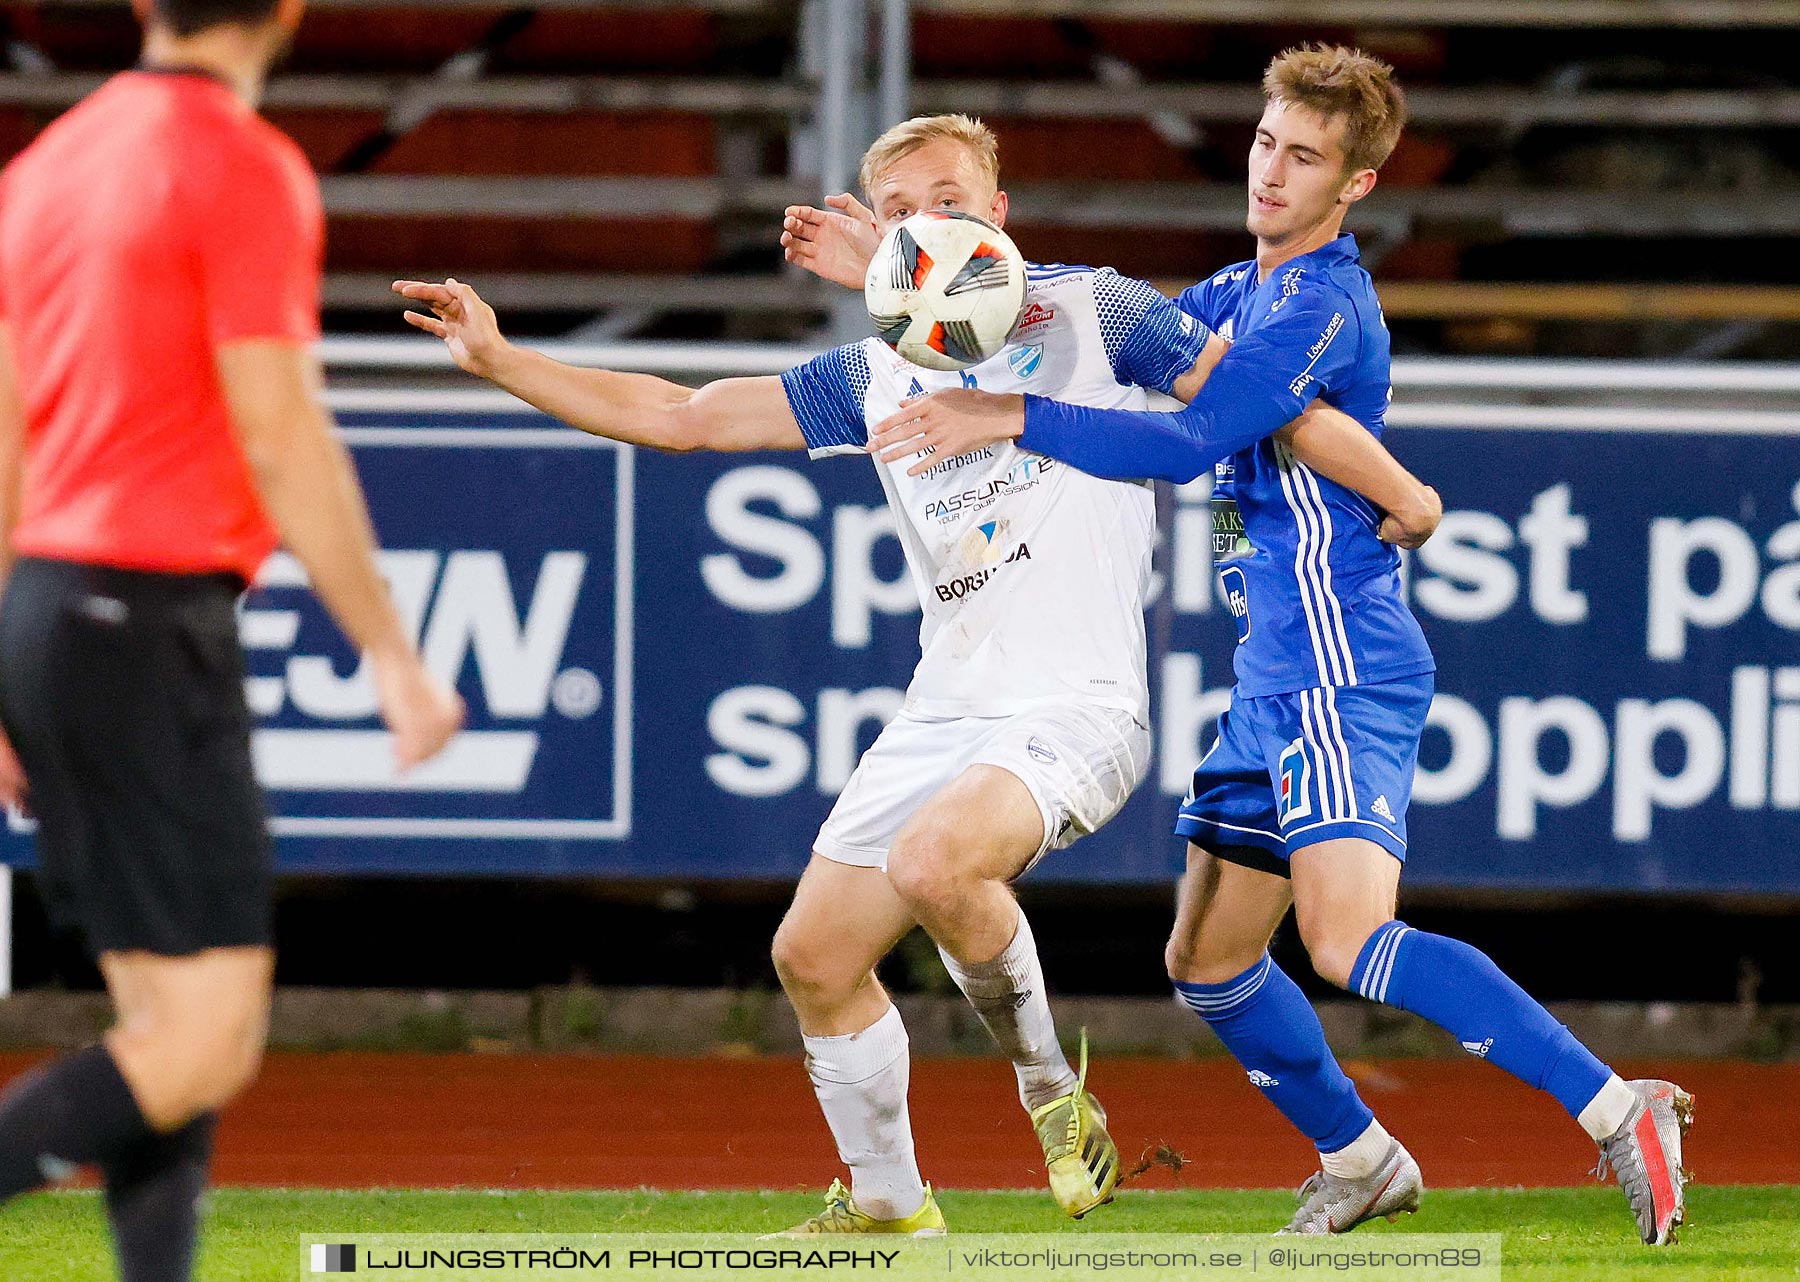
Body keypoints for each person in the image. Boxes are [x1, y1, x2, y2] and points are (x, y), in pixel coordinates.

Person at [397, 113, 1437, 1236]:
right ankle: (892, 1207)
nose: (923, 224)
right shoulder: (873, 373)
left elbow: (1268, 406)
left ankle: (1050, 1088)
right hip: (947, 711)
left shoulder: (1097, 312)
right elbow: (683, 415)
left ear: (998, 214)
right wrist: (504, 359)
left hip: (1078, 709)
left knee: (939, 862)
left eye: (948, 199)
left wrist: (1402, 490)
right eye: (897, 213)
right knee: (813, 954)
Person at [865, 47, 1692, 1246]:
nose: (1271, 170)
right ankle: (1361, 1158)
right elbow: (1087, 323)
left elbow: (1191, 438)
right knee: (1207, 957)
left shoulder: (1319, 304)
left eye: (1304, 157)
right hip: (1271, 678)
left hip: (1338, 655)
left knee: (1347, 936)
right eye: (1264, 143)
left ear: (1354, 184)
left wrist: (1005, 412)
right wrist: (910, 263)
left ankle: (1623, 1106)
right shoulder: (1230, 294)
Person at [0, 2, 464, 1277]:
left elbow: (7, 435)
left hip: (51, 608)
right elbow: (279, 430)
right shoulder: (241, 162)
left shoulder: (46, 166)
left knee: (162, 1020)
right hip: (145, 619)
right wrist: (391, 647)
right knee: (203, 1041)